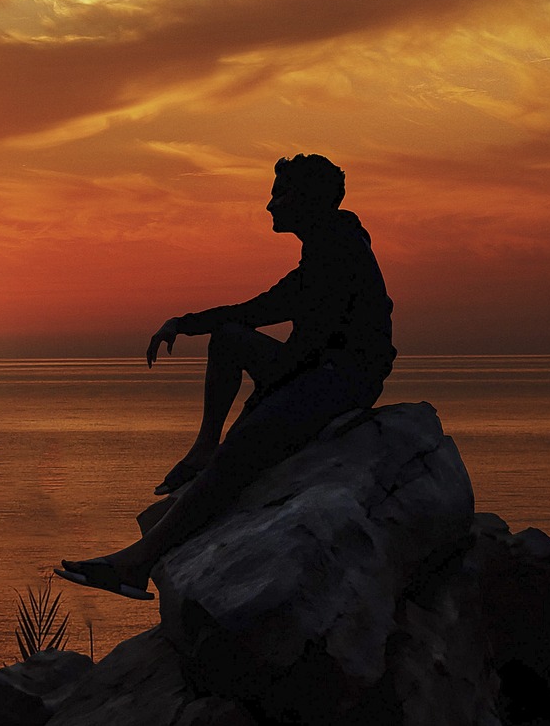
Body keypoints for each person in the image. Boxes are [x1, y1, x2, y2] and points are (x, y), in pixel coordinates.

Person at [56, 153, 395, 600]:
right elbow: (265, 312)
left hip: (338, 380)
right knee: (230, 338)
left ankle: (135, 565)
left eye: (280, 195)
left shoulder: (337, 249)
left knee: (238, 455)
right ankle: (202, 449)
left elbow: (298, 330)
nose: (270, 206)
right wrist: (184, 322)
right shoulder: (326, 244)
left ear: (307, 201)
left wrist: (260, 402)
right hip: (319, 370)